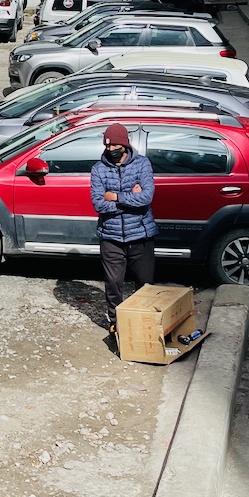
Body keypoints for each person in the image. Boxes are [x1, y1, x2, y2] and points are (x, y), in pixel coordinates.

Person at [90, 122, 156, 339]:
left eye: (115, 146)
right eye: (107, 147)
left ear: (124, 145)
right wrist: (131, 197)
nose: (111, 150)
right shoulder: (98, 169)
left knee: (145, 283)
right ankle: (116, 325)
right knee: (114, 284)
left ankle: (143, 323)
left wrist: (116, 196)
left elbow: (146, 197)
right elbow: (99, 204)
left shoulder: (142, 164)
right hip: (111, 236)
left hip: (141, 234)